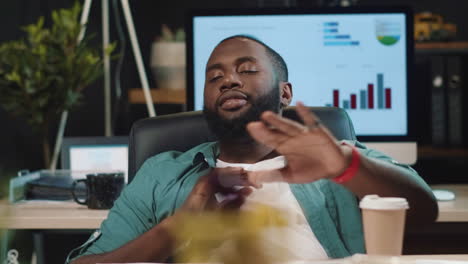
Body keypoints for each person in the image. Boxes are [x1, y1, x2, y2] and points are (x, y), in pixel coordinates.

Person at [69, 35, 438, 264]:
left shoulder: (336, 158)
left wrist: (345, 165)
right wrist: (176, 229)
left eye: (246, 69)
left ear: (285, 93)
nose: (228, 79)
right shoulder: (161, 173)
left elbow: (423, 211)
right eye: (214, 77)